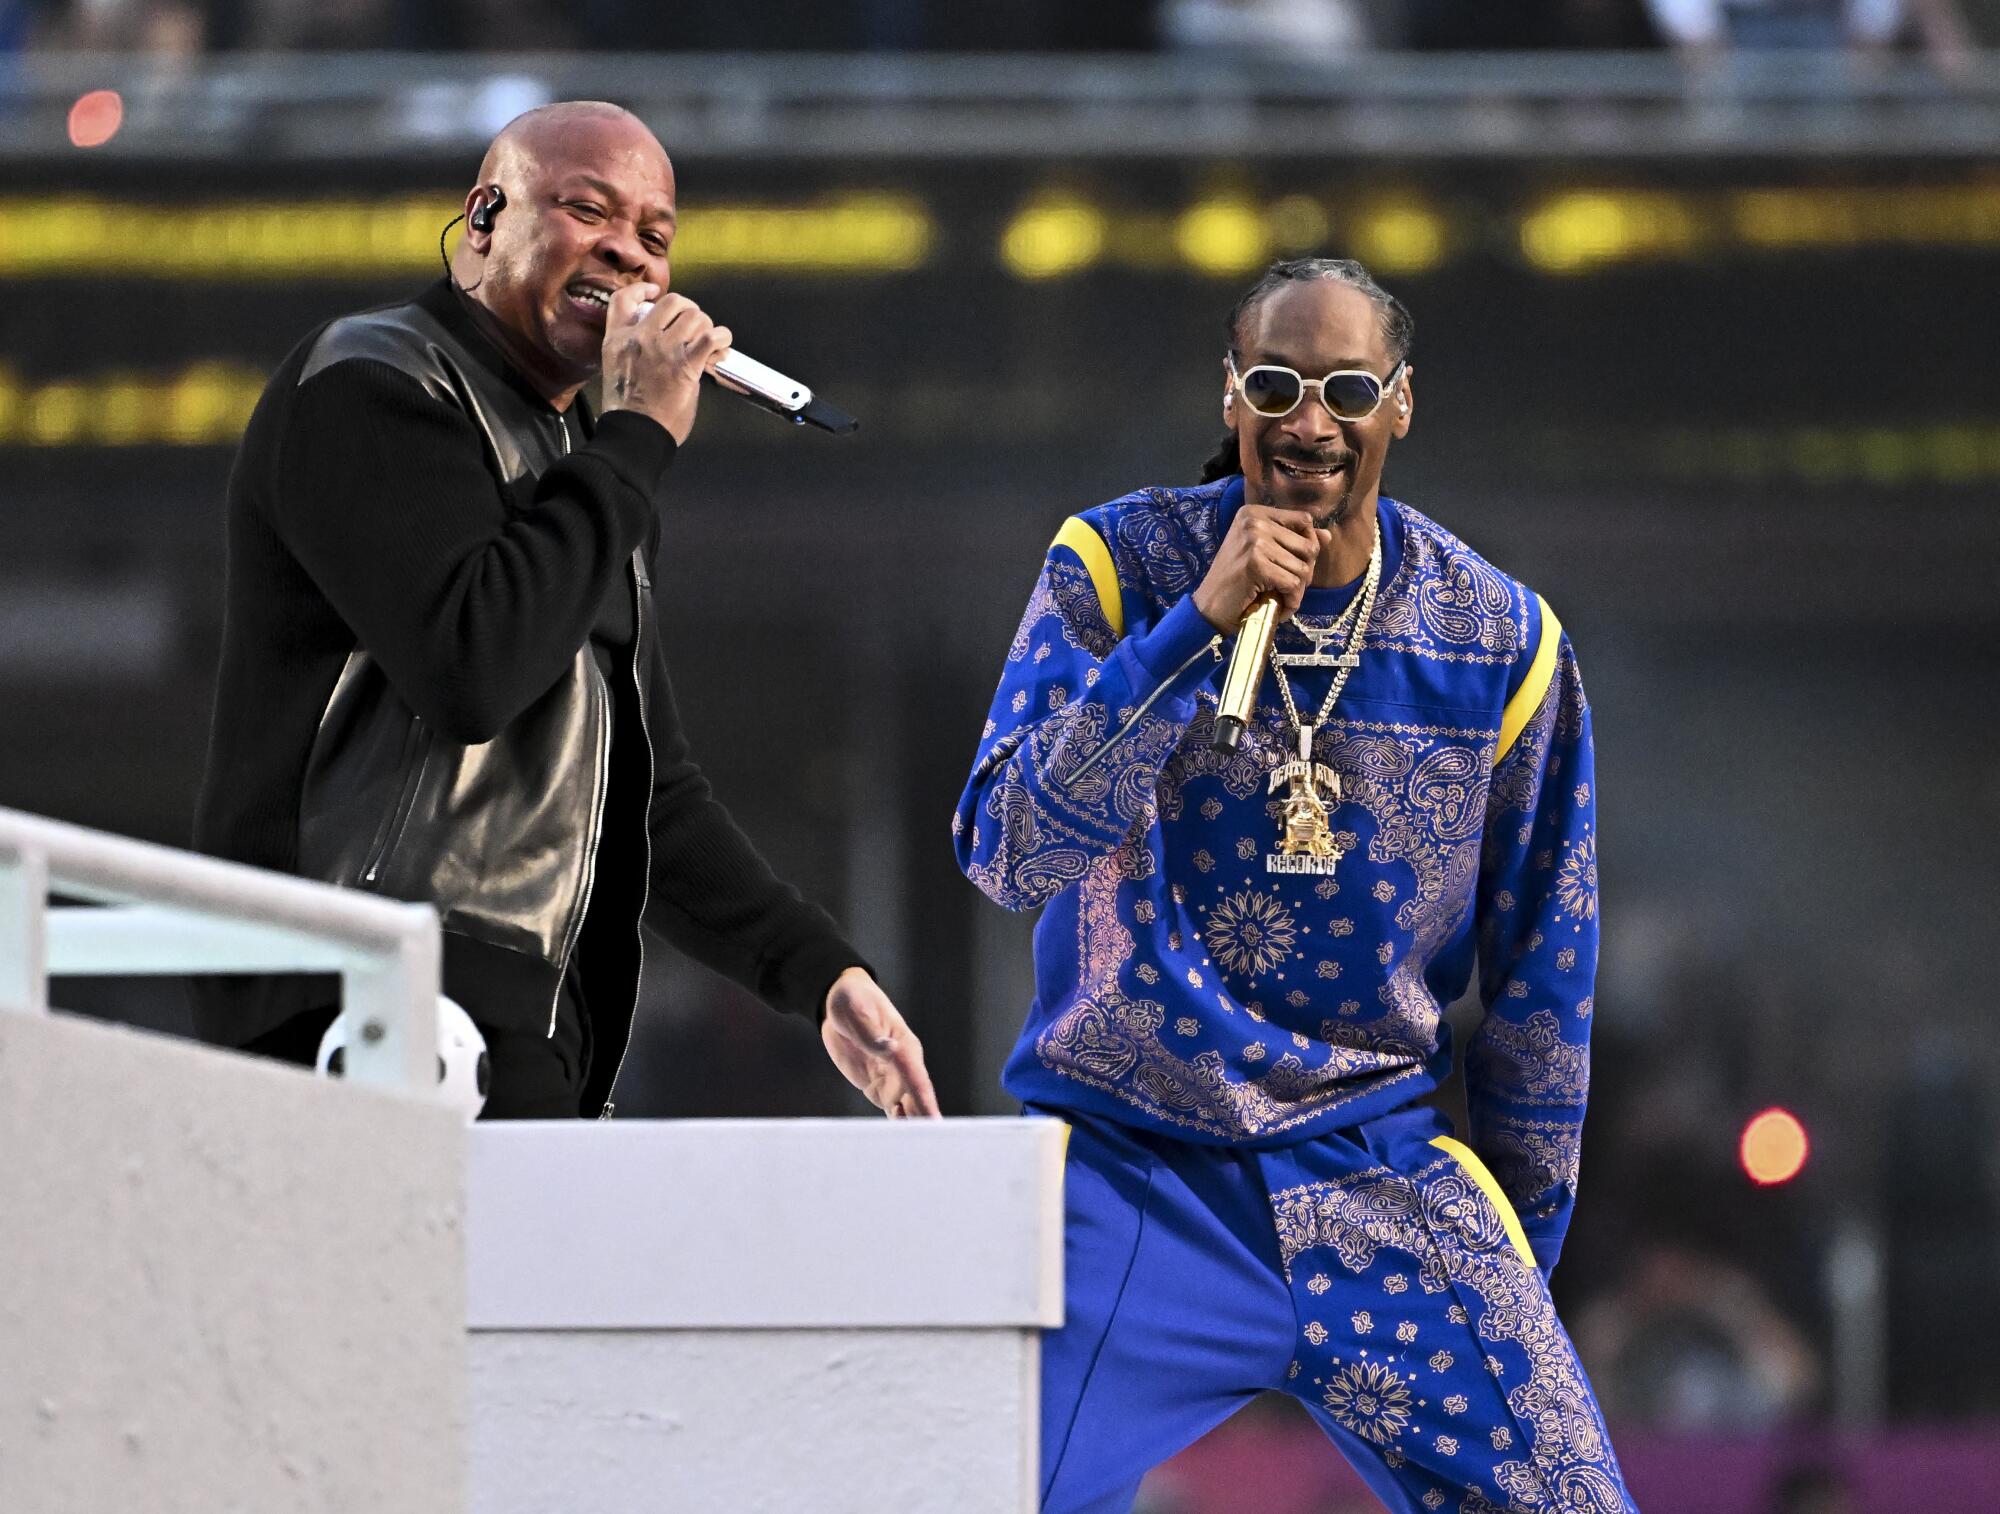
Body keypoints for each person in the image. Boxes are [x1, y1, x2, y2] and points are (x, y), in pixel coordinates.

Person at [956, 258, 1629, 1512]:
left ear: (1400, 405)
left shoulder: (1503, 640)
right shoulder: (1116, 566)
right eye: (1274, 382)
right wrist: (1187, 630)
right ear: (1228, 395)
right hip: (1128, 1170)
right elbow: (1004, 851)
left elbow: (1546, 984)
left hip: (1379, 1174)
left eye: (1345, 387)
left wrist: (1510, 1269)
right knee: (965, 1487)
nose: (1308, 418)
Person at [193, 101, 936, 1122]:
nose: (628, 254)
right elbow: (469, 669)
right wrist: (632, 443)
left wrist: (814, 972)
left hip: (526, 1009)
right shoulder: (372, 381)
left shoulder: (584, 466)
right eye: (589, 210)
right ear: (485, 219)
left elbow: (646, 791)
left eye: (654, 237)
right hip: (359, 992)